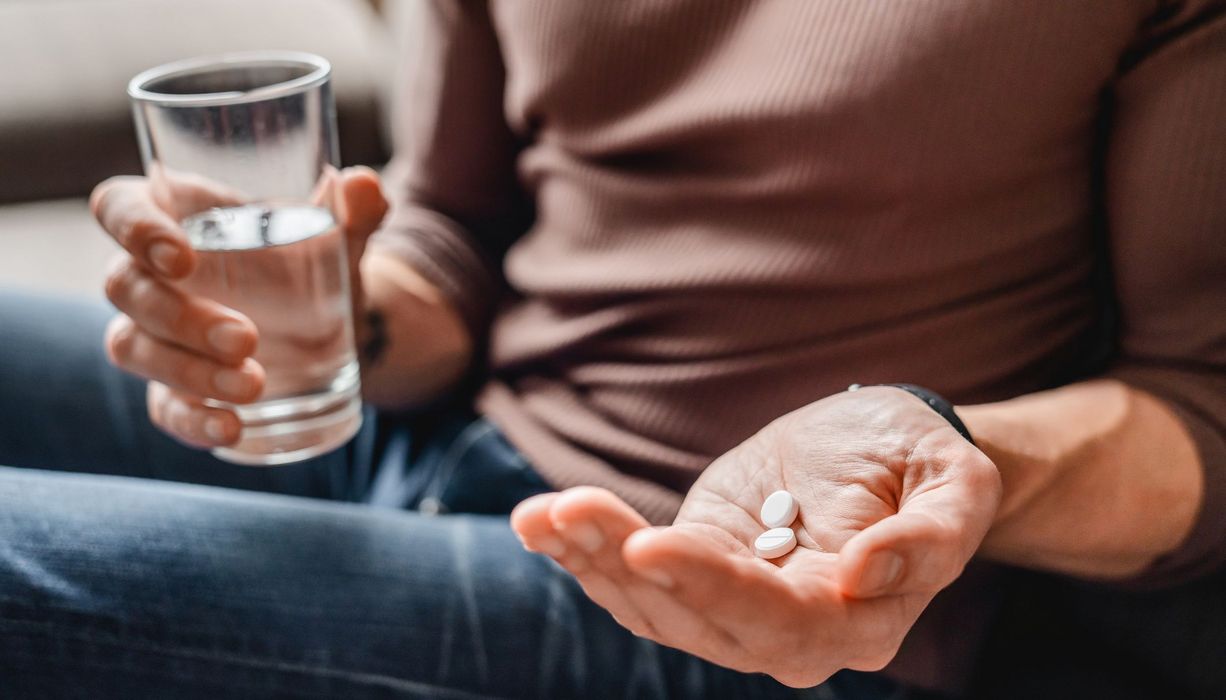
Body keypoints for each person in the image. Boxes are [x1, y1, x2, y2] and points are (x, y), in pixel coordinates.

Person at [2, 1, 1224, 697]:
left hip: (732, 600)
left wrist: (949, 449)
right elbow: (455, 234)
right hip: (439, 428)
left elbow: (1201, 403)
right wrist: (328, 309)